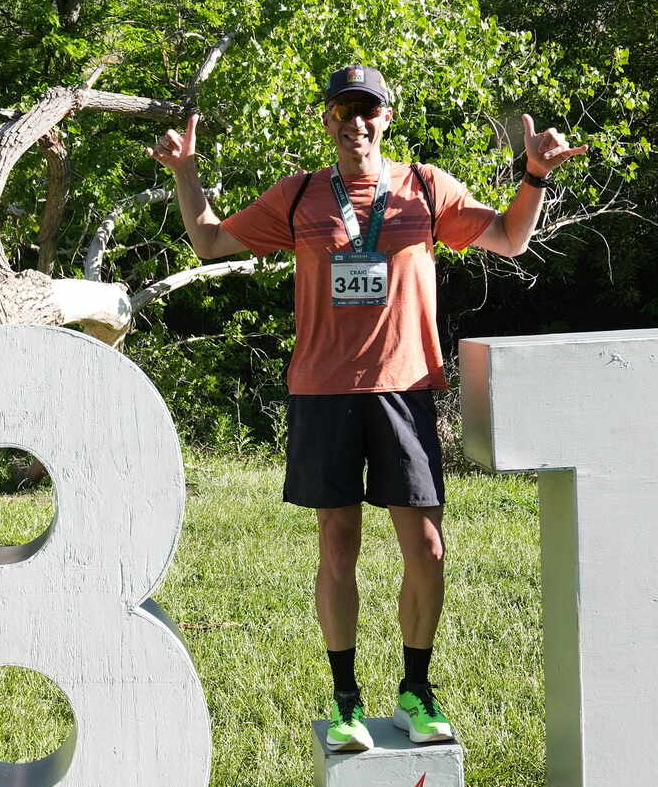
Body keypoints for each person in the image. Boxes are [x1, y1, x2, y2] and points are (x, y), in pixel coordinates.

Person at [150, 65, 587, 751]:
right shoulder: (299, 196)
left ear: (387, 118)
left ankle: (416, 689)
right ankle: (346, 700)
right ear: (327, 119)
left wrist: (533, 176)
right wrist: (186, 171)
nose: (356, 121)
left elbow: (510, 237)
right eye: (344, 110)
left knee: (428, 547)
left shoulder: (425, 188)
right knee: (337, 543)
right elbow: (209, 240)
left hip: (404, 389)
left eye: (368, 110)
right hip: (323, 391)